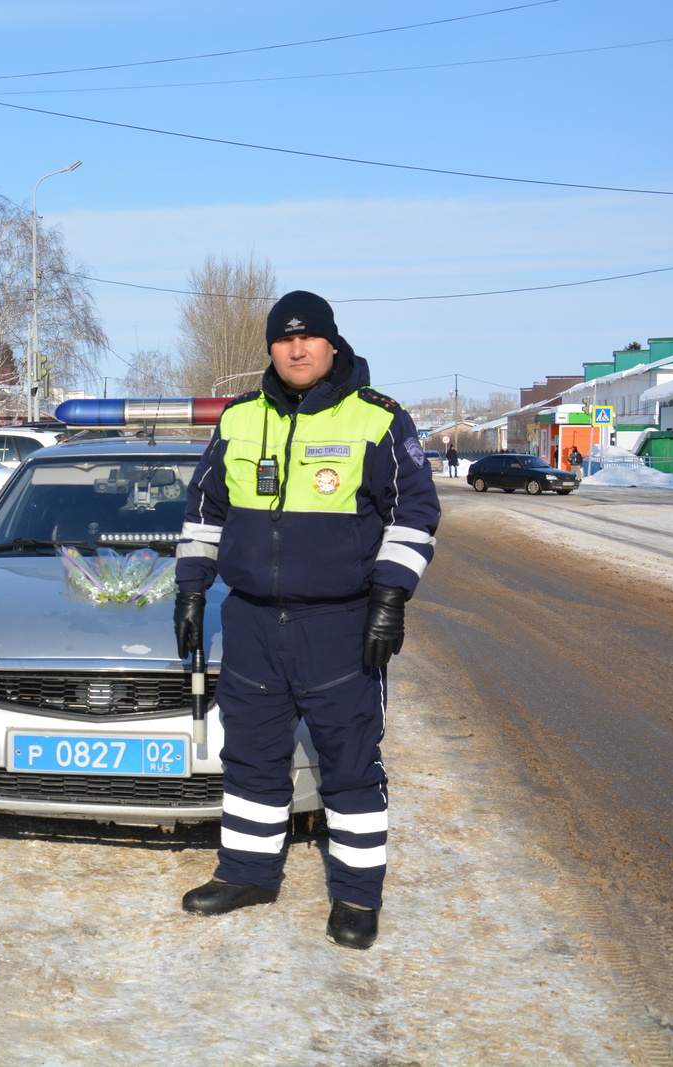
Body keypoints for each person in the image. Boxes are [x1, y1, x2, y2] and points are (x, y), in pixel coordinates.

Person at [172, 291, 440, 950]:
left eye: (309, 338)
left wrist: (389, 597)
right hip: (254, 624)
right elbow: (204, 510)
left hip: (340, 625)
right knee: (251, 757)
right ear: (270, 348)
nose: (296, 350)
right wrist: (189, 590)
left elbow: (415, 512)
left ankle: (355, 894)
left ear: (331, 344)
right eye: (284, 340)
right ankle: (248, 873)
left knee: (349, 760)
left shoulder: (376, 419)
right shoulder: (238, 420)